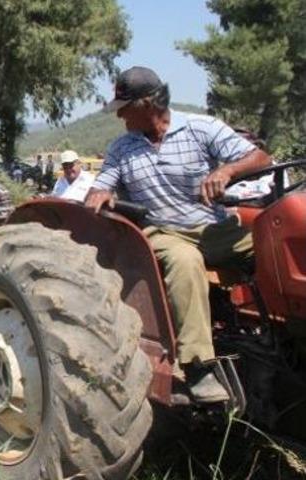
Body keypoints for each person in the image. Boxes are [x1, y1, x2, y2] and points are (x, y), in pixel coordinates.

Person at [85, 66, 270, 403]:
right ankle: (199, 366)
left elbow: (260, 157)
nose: (120, 116)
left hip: (214, 227)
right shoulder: (121, 148)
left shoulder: (202, 127)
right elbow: (101, 188)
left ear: (147, 104)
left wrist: (227, 170)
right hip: (165, 231)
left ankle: (277, 338)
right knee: (186, 262)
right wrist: (101, 196)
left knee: (272, 245)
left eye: (124, 107)